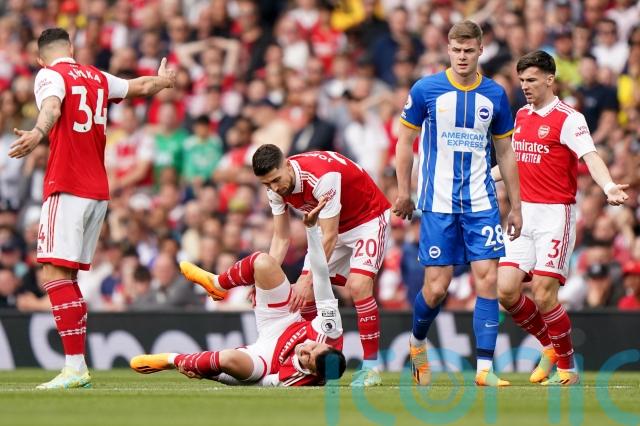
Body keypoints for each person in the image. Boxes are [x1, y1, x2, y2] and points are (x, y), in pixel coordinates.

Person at [8, 28, 176, 389]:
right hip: (98, 190)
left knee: (53, 275)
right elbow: (140, 87)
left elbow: (52, 107)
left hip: (67, 186)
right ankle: (76, 365)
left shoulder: (49, 75)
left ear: (40, 58)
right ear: (71, 47)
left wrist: (37, 133)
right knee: (67, 278)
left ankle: (74, 367)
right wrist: (163, 81)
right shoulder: (97, 76)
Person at [393, 20, 523, 387]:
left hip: (481, 201)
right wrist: (403, 191)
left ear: (481, 50)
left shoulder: (495, 94)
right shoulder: (426, 89)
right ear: (448, 50)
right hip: (438, 202)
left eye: (469, 50)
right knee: (437, 287)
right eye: (457, 50)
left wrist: (516, 205)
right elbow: (404, 142)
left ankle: (484, 369)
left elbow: (505, 152)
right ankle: (417, 342)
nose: (463, 56)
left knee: (488, 278)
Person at [494, 50, 628, 386]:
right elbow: (514, 161)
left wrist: (608, 186)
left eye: (532, 79)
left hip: (555, 215)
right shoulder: (521, 115)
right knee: (506, 291)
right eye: (522, 80)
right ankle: (549, 345)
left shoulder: (569, 118)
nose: (525, 86)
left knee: (543, 293)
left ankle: (567, 369)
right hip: (522, 213)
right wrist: (480, 176)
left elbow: (590, 156)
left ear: (550, 79)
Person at [130, 199, 347, 386]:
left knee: (227, 359)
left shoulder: (295, 379)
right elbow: (321, 277)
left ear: (314, 373)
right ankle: (217, 284)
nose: (304, 350)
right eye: (313, 347)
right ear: (325, 344)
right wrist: (311, 229)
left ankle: (171, 360)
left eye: (307, 358)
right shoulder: (330, 329)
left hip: (267, 357)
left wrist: (211, 374)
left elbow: (259, 383)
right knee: (262, 262)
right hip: (287, 318)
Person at [252, 143, 390, 387]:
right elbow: (281, 238)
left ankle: (371, 368)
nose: (274, 188)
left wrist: (306, 280)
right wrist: (264, 281)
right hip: (329, 228)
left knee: (358, 286)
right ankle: (318, 362)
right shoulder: (275, 188)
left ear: (287, 165)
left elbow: (329, 236)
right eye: (267, 185)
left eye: (275, 180)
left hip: (366, 219)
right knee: (304, 298)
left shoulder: (321, 176)